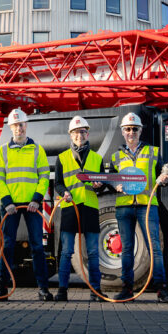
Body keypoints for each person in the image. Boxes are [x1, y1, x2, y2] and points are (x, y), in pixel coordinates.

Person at [109, 111, 168, 303]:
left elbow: (164, 179)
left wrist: (165, 179)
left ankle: (161, 289)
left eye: (134, 129)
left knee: (154, 248)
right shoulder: (116, 156)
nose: (131, 132)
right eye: (128, 129)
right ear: (122, 131)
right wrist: (115, 185)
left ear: (140, 131)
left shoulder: (153, 152)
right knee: (127, 249)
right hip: (124, 206)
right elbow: (112, 180)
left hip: (147, 205)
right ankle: (127, 290)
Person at [0, 108, 52, 301]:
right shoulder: (3, 151)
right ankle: (2, 288)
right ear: (11, 127)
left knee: (37, 246)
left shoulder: (37, 149)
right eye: (15, 125)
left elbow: (44, 177)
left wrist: (36, 199)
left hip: (32, 204)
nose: (19, 128)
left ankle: (43, 288)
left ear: (26, 125)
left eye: (21, 124)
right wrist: (7, 202)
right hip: (10, 206)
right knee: (7, 245)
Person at [54, 115, 105, 302]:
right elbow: (57, 184)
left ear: (87, 134)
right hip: (70, 208)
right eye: (76, 133)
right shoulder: (62, 158)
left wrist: (100, 185)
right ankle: (62, 291)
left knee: (92, 252)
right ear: (70, 135)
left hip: (90, 208)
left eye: (82, 132)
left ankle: (96, 291)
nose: (79, 136)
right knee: (67, 252)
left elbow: (104, 183)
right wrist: (64, 192)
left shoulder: (97, 158)